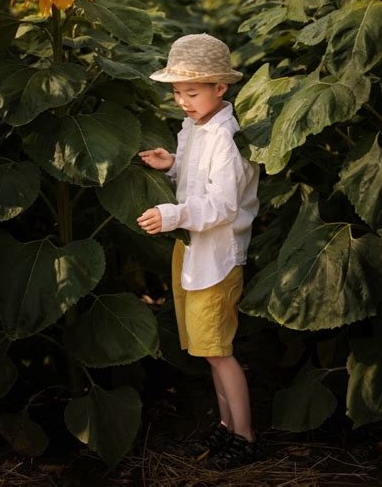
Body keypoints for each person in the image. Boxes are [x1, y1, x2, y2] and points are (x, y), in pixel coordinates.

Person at [136, 33, 262, 470]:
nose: (183, 101)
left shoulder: (226, 138)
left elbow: (223, 204)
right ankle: (227, 427)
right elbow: (195, 179)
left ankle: (244, 436)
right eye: (176, 92)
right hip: (191, 249)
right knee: (208, 349)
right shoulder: (195, 127)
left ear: (220, 88)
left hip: (216, 255)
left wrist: (171, 215)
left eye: (192, 92)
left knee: (220, 351)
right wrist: (171, 163)